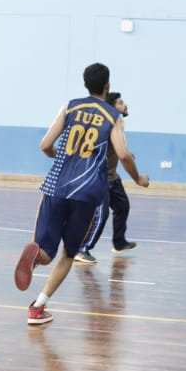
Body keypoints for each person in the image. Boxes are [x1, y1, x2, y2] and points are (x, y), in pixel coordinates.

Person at [15, 63, 149, 325]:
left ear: (85, 84)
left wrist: (61, 157)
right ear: (107, 86)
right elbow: (123, 154)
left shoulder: (70, 107)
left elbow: (45, 145)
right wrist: (138, 178)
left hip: (56, 185)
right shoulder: (113, 116)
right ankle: (37, 308)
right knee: (68, 254)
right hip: (87, 193)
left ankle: (35, 256)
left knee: (46, 252)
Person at [74, 92, 137, 264]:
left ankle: (119, 242)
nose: (125, 104)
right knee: (102, 215)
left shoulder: (117, 123)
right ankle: (82, 249)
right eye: (120, 102)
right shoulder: (107, 124)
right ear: (112, 107)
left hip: (112, 178)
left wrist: (127, 153)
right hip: (100, 179)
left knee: (122, 206)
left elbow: (117, 148)